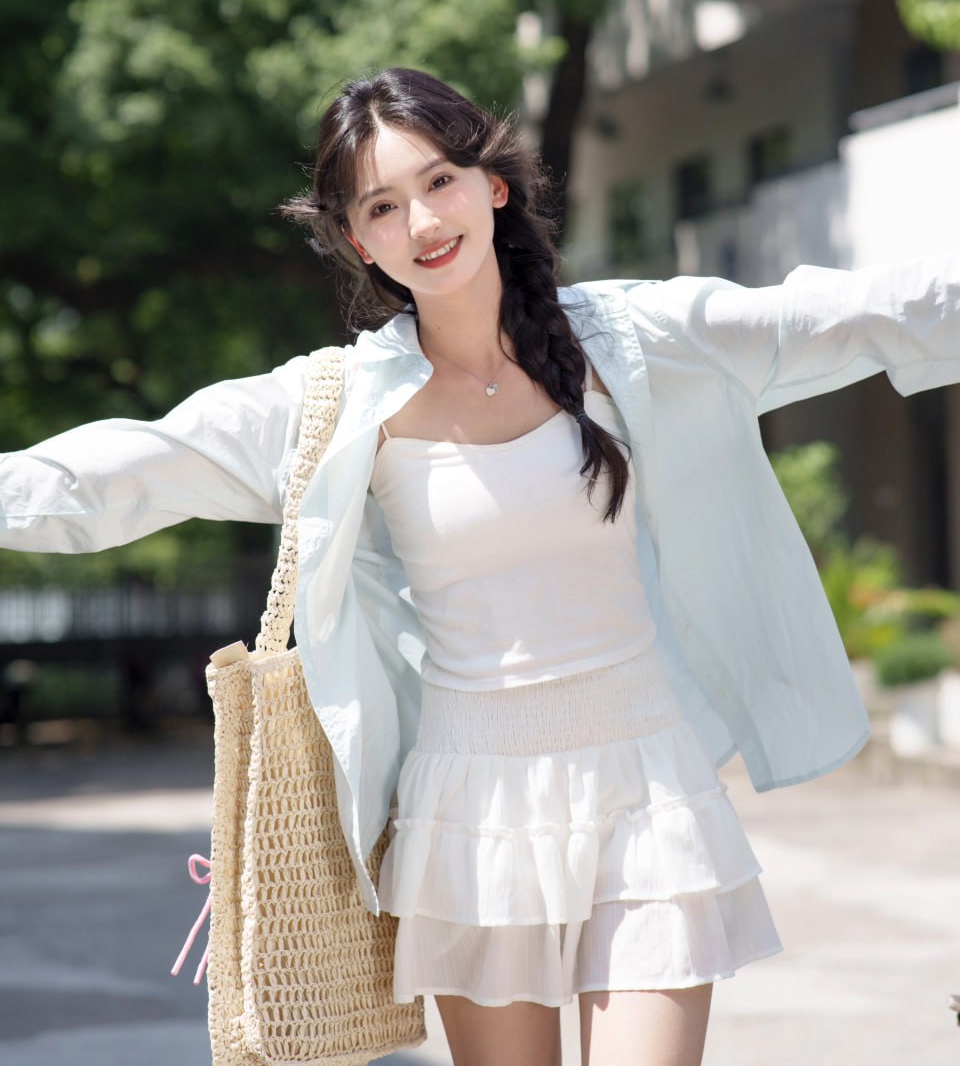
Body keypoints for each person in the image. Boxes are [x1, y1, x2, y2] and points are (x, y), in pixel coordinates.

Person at [1, 67, 959, 1066]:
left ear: (492, 184)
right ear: (356, 238)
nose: (422, 219)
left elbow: (845, 314)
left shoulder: (633, 341)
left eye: (440, 179)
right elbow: (123, 469)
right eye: (382, 204)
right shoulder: (336, 403)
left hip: (647, 788)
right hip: (472, 808)